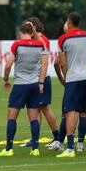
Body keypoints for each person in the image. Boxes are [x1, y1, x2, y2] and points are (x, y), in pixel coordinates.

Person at [0, 22, 48, 157]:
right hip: (34, 84)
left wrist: (6, 79)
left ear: (20, 33)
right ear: (32, 33)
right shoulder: (40, 45)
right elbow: (42, 51)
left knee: (12, 116)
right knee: (33, 117)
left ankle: (8, 149)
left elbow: (8, 65)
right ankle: (35, 148)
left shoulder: (17, 44)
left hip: (20, 84)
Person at [56, 12, 86, 158]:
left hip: (73, 78)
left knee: (70, 112)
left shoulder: (63, 39)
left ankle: (70, 149)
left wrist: (66, 77)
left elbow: (62, 63)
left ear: (69, 22)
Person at [23, 17, 59, 149]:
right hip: (32, 79)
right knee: (34, 109)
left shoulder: (43, 39)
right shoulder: (32, 40)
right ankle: (35, 139)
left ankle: (57, 137)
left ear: (35, 27)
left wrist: (41, 81)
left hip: (41, 79)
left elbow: (42, 47)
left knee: (44, 108)